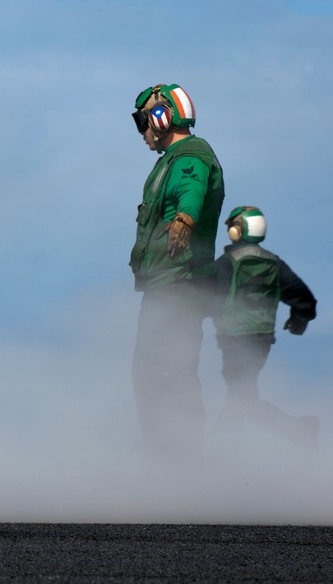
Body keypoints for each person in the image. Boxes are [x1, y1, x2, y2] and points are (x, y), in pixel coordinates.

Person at [128, 83, 225, 468]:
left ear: (162, 116)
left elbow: (192, 187)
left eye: (142, 121)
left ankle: (176, 469)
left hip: (178, 284)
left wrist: (186, 215)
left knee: (167, 373)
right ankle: (166, 462)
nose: (143, 133)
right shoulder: (171, 158)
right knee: (156, 372)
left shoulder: (190, 156)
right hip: (168, 284)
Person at [209, 206, 319, 461]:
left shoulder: (227, 264)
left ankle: (300, 430)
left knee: (240, 399)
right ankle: (217, 462)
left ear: (237, 231)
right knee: (240, 397)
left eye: (231, 227)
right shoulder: (274, 263)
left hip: (233, 340)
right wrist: (298, 321)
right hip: (261, 341)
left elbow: (206, 298)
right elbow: (304, 299)